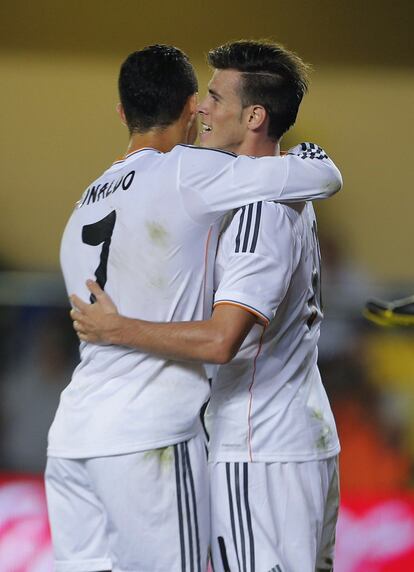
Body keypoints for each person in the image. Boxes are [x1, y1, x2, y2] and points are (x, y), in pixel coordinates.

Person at [47, 43, 341, 572]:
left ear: (121, 113)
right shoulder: (193, 176)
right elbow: (321, 178)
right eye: (201, 98)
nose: (205, 109)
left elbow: (220, 340)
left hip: (84, 434)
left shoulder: (86, 199)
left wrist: (116, 329)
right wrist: (311, 155)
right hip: (163, 434)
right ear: (185, 109)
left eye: (215, 96)